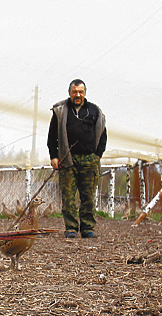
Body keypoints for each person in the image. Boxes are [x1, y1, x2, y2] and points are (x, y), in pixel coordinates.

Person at [47, 79, 107, 238]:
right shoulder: (59, 112)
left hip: (90, 161)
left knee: (88, 196)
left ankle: (88, 228)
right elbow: (52, 136)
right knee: (68, 196)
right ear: (69, 93)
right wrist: (54, 156)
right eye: (75, 92)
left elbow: (103, 135)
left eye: (81, 92)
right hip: (68, 160)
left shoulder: (95, 111)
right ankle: (71, 228)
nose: (78, 95)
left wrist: (98, 155)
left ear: (85, 93)